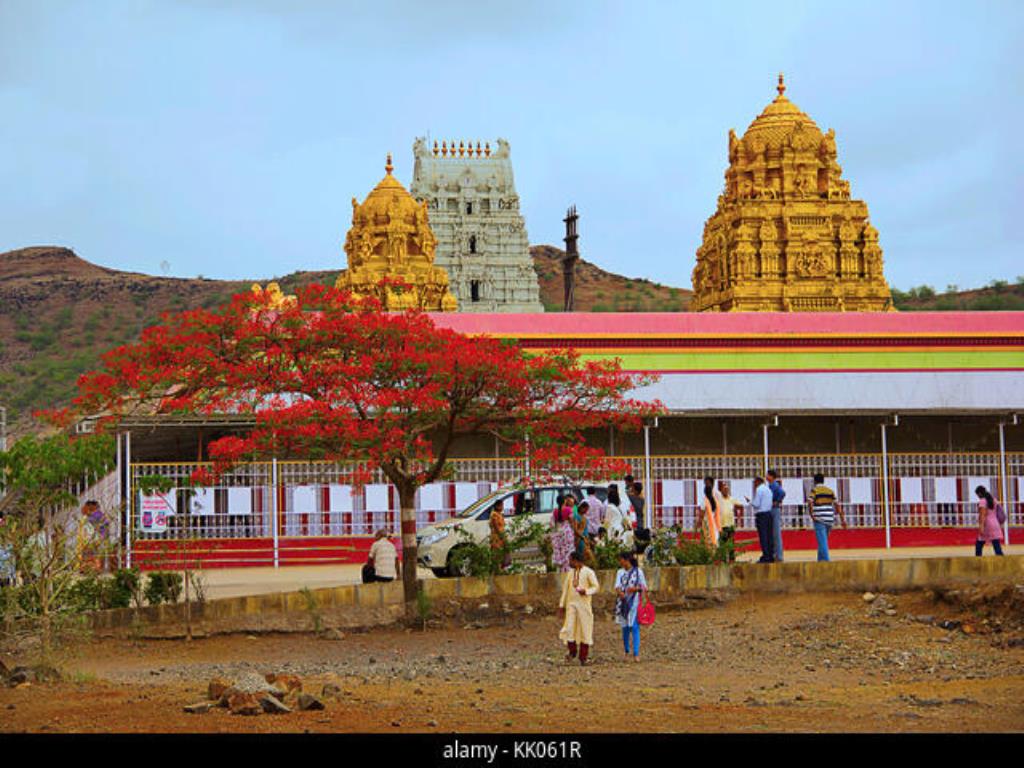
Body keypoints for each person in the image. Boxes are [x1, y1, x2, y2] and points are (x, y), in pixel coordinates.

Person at [559, 551, 599, 665]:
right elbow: (565, 589)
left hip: (584, 605)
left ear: (576, 561)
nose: (569, 562)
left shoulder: (588, 572)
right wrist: (561, 605)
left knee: (585, 629)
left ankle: (583, 657)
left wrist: (586, 591)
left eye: (571, 560)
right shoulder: (570, 573)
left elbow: (596, 587)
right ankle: (572, 652)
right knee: (569, 628)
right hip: (571, 604)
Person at [614, 551, 648, 663]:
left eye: (621, 559)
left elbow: (643, 587)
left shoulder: (638, 572)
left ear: (626, 560)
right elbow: (617, 586)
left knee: (634, 627)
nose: (620, 562)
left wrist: (635, 590)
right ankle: (627, 651)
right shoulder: (620, 572)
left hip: (634, 602)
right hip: (622, 602)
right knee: (625, 628)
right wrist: (620, 593)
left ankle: (636, 653)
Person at [808, 474, 846, 562]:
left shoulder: (814, 491)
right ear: (823, 481)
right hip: (829, 519)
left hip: (819, 519)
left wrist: (811, 514)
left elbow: (810, 502)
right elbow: (837, 505)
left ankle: (826, 561)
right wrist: (842, 519)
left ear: (815, 481)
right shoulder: (830, 491)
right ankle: (820, 561)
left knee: (822, 542)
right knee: (823, 541)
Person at [750, 476, 775, 563]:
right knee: (769, 536)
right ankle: (771, 555)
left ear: (757, 482)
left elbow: (756, 504)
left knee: (763, 536)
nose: (754, 485)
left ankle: (766, 556)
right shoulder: (768, 490)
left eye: (754, 483)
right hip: (769, 513)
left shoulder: (759, 490)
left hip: (762, 515)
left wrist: (750, 502)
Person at [974, 485, 1005, 556]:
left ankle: (978, 560)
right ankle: (1002, 561)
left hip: (987, 525)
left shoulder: (982, 501)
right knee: (996, 544)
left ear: (979, 493)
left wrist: (981, 527)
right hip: (995, 523)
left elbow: (983, 515)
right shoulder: (994, 500)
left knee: (979, 544)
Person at [715, 480, 742, 560]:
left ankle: (731, 559)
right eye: (724, 490)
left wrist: (737, 506)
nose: (725, 491)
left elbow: (740, 505)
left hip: (730, 525)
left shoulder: (732, 499)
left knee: (730, 543)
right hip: (722, 525)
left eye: (727, 490)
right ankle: (723, 559)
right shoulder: (719, 499)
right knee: (722, 543)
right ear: (721, 491)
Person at [551, 496, 576, 572]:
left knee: (560, 551)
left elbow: (553, 524)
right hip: (566, 532)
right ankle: (567, 568)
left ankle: (561, 568)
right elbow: (572, 521)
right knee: (568, 551)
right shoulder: (568, 509)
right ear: (564, 501)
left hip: (558, 532)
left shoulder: (555, 511)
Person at [767, 470, 786, 562]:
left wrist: (777, 501)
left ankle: (779, 555)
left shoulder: (774, 485)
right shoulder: (771, 485)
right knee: (773, 533)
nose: (766, 476)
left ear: (771, 476)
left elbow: (782, 493)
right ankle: (776, 554)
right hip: (773, 508)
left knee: (776, 533)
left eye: (768, 475)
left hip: (774, 509)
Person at [698, 476, 721, 546]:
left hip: (709, 523)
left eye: (707, 483)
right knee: (715, 540)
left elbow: (701, 515)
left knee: (708, 541)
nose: (706, 485)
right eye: (705, 483)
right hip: (713, 523)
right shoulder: (712, 499)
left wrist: (698, 524)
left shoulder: (715, 495)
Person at [571, 501, 595, 566]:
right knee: (585, 554)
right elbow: (575, 529)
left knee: (586, 557)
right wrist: (582, 537)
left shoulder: (584, 518)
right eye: (585, 509)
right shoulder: (576, 516)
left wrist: (588, 539)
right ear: (581, 508)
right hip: (580, 539)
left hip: (585, 539)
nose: (586, 511)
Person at [489, 499, 511, 570]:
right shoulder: (494, 515)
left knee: (502, 554)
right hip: (497, 538)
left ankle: (501, 568)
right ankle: (496, 569)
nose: (502, 507)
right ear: (497, 506)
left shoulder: (500, 514)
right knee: (497, 555)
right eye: (501, 505)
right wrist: (502, 537)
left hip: (501, 537)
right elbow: (496, 528)